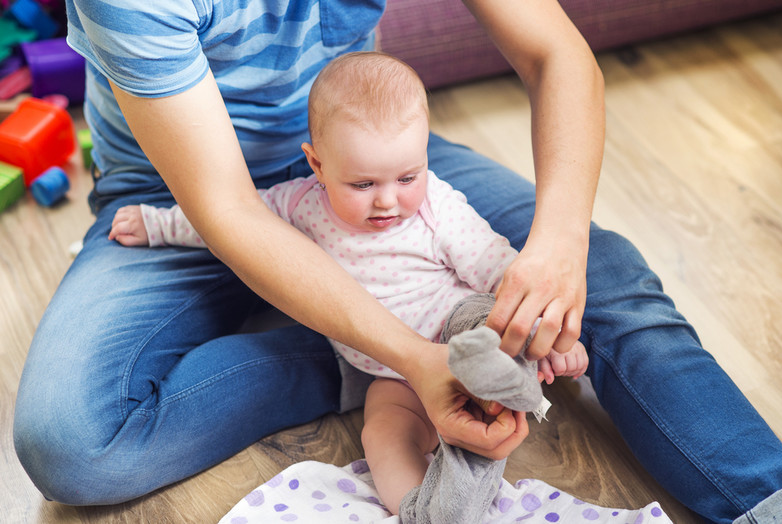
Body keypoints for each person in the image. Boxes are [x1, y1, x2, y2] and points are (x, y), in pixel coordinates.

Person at [12, 0, 782, 521]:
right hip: (188, 189)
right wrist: (411, 355)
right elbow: (231, 211)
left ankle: (768, 500)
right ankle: (353, 353)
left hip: (375, 170)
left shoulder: (405, 189)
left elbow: (557, 54)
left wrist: (558, 245)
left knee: (606, 273)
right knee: (72, 440)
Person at [107, 51, 588, 519]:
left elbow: (495, 265)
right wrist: (155, 224)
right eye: (363, 185)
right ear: (317, 165)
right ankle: (424, 510)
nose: (388, 202)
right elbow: (222, 220)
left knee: (484, 323)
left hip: (458, 330)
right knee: (381, 433)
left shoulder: (435, 205)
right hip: (386, 374)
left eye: (406, 176)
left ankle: (505, 375)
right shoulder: (299, 204)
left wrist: (547, 333)